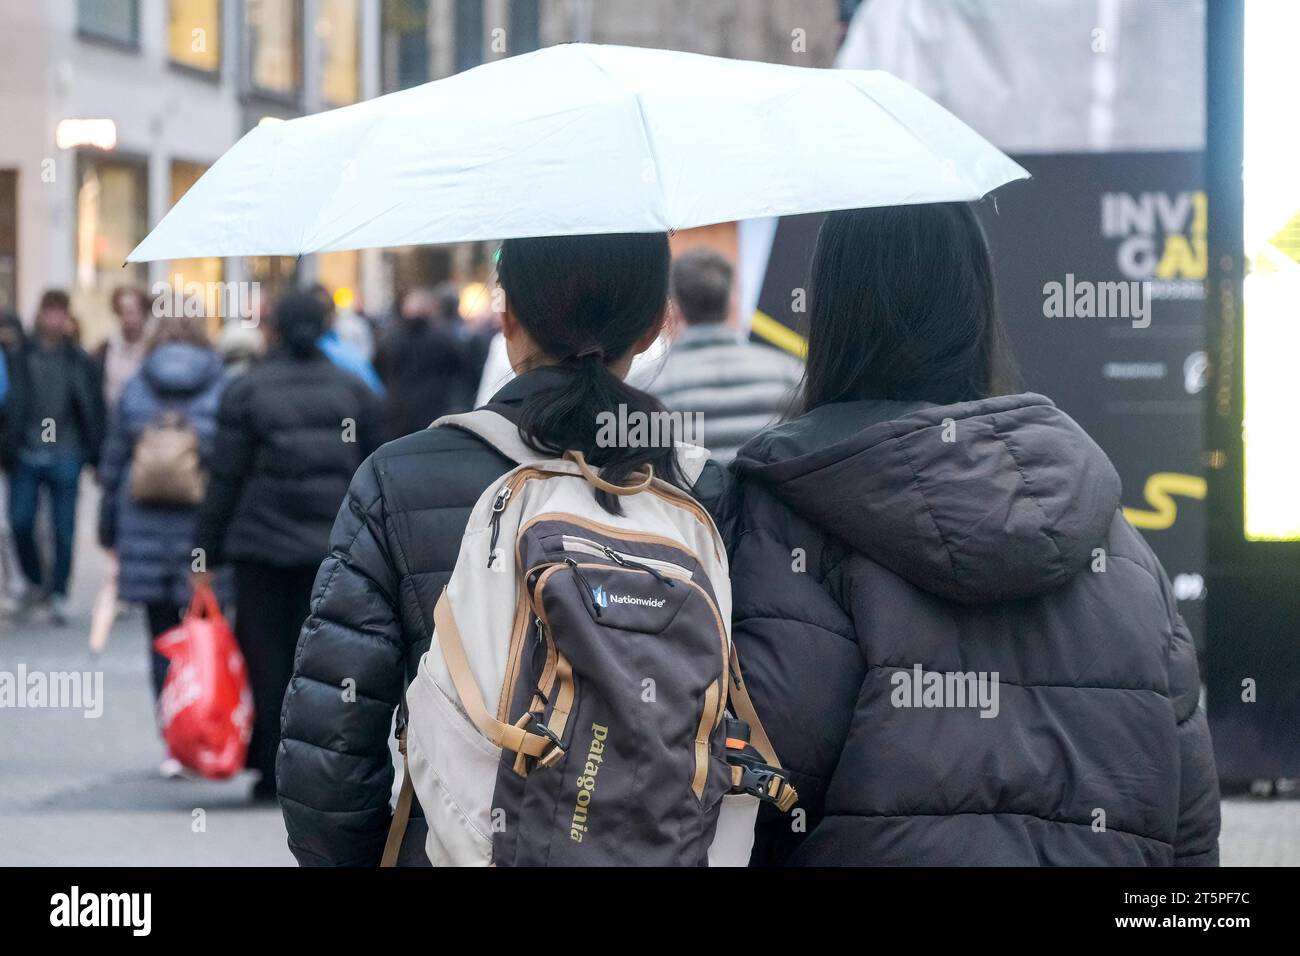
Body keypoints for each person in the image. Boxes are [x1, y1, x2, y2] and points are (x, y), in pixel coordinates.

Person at [727, 203, 1220, 866]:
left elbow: (754, 802)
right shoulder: (1125, 554)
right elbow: (1189, 830)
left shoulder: (782, 524)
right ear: (979, 307)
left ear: (833, 312)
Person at [277, 232, 734, 865]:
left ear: (507, 313)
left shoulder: (399, 478)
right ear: (659, 319)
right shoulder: (699, 489)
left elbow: (329, 744)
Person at [193, 292, 380, 800]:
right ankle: (318, 764)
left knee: (266, 656)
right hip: (332, 551)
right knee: (322, 659)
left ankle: (270, 760)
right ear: (324, 326)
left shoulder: (246, 391)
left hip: (261, 547)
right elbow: (374, 473)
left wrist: (203, 552)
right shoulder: (353, 391)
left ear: (272, 327)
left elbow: (225, 478)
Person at [97, 313, 226, 774]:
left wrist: (107, 529)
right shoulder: (221, 383)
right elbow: (228, 459)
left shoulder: (136, 387)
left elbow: (113, 465)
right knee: (205, 632)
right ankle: (210, 728)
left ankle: (174, 743)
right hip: (202, 528)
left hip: (144, 525)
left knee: (161, 638)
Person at [633, 248, 804, 464]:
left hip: (687, 498)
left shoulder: (644, 388)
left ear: (674, 310)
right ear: (733, 301)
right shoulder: (790, 374)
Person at [0, 290, 106, 624]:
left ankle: (58, 591)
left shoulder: (79, 360)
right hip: (26, 452)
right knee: (20, 521)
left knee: (64, 529)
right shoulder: (20, 356)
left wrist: (96, 453)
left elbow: (93, 407)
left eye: (61, 313)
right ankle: (35, 581)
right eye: (50, 312)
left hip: (66, 452)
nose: (55, 319)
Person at [373, 284, 476, 442]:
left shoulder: (390, 339)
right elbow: (462, 371)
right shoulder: (444, 338)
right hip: (435, 410)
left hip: (399, 414)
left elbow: (379, 371)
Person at [0, 311, 26, 614]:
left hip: (7, 453)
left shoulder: (13, 359)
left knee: (5, 524)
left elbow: (11, 403)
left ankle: (16, 579)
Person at [96, 286, 152, 409]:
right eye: (122, 312)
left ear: (144, 313)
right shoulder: (104, 350)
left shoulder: (155, 348)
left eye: (131, 312)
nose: (127, 319)